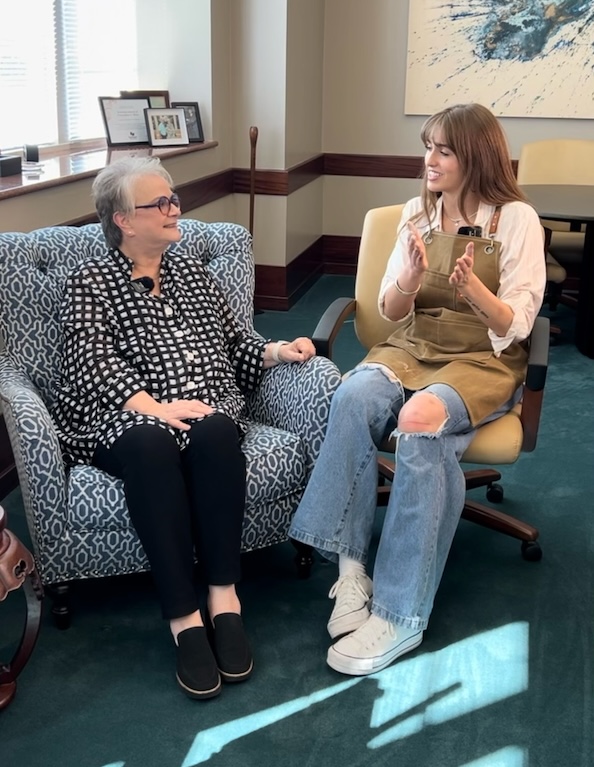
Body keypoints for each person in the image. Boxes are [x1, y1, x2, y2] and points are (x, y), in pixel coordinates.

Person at [289, 103, 546, 677]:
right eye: (427, 146)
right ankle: (352, 568)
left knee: (422, 419)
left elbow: (518, 323)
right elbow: (388, 310)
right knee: (352, 395)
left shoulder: (517, 220)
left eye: (443, 150)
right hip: (413, 344)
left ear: (474, 157)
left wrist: (476, 290)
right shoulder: (414, 213)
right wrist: (406, 276)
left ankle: (401, 612)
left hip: (483, 356)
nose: (428, 160)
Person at [51, 156, 315, 699]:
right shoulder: (89, 282)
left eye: (174, 199)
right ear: (123, 219)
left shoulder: (195, 272)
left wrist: (276, 351)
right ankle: (183, 617)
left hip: (203, 406)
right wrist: (153, 407)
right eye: (162, 203)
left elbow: (234, 340)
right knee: (150, 445)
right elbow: (91, 360)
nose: (176, 210)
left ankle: (224, 597)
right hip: (122, 414)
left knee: (218, 431)